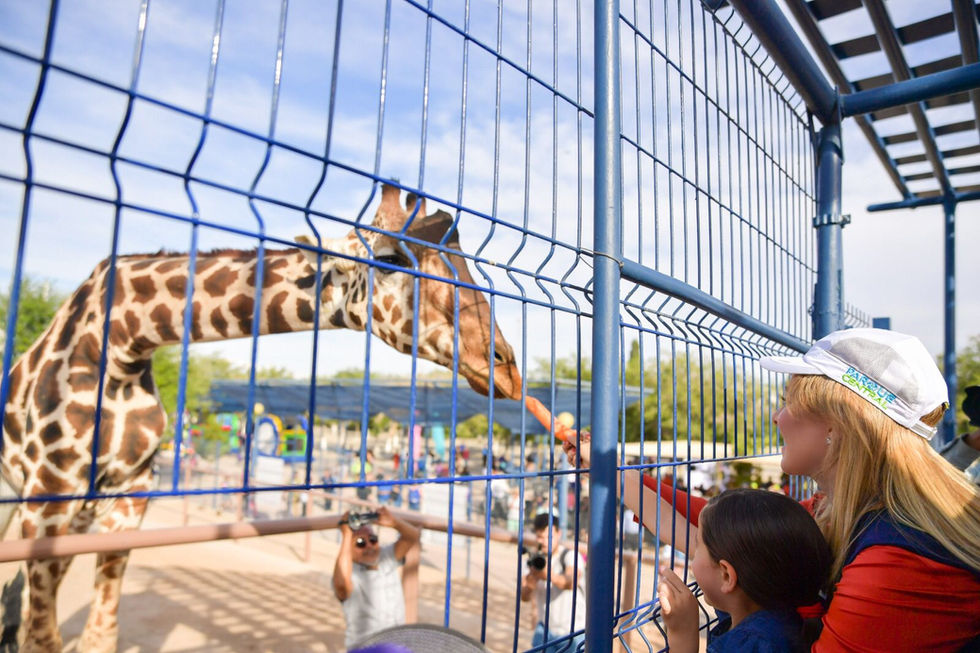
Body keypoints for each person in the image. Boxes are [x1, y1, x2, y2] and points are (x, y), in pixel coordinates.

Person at [564, 328, 980, 651]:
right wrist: (612, 470)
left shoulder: (901, 562)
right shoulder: (852, 510)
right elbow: (728, 530)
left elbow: (727, 538)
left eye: (788, 402)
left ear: (836, 426)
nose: (778, 417)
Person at [657, 489, 831, 652]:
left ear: (726, 575)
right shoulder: (770, 613)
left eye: (697, 544)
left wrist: (682, 637)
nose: (691, 554)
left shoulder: (753, 644)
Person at [332, 506, 421, 649]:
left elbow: (413, 536)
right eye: (360, 543)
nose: (369, 546)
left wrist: (394, 522)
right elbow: (341, 585)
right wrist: (346, 534)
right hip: (366, 647)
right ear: (348, 547)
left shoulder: (386, 556)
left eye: (373, 539)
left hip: (397, 644)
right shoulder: (349, 570)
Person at [520, 512, 586, 653]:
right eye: (539, 537)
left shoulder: (570, 555)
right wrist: (532, 580)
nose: (543, 541)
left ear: (559, 533)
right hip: (545, 629)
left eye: (548, 537)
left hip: (573, 632)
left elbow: (570, 582)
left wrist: (547, 575)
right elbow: (524, 596)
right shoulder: (534, 561)